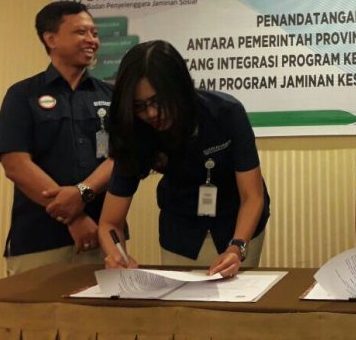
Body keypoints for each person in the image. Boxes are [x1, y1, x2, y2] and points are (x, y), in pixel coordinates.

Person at [98, 40, 269, 277]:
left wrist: (237, 247)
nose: (152, 113)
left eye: (158, 101)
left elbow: (253, 196)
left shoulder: (225, 112)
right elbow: (109, 223)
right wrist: (116, 255)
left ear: (180, 89)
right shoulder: (134, 129)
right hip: (181, 227)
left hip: (237, 221)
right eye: (140, 106)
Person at [0, 1, 113, 275]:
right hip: (38, 238)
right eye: (81, 32)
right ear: (51, 39)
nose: (92, 40)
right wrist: (73, 216)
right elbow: (15, 164)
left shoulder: (111, 96)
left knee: (103, 304)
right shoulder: (22, 94)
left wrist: (82, 193)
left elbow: (121, 157)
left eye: (94, 33)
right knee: (34, 304)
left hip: (102, 234)